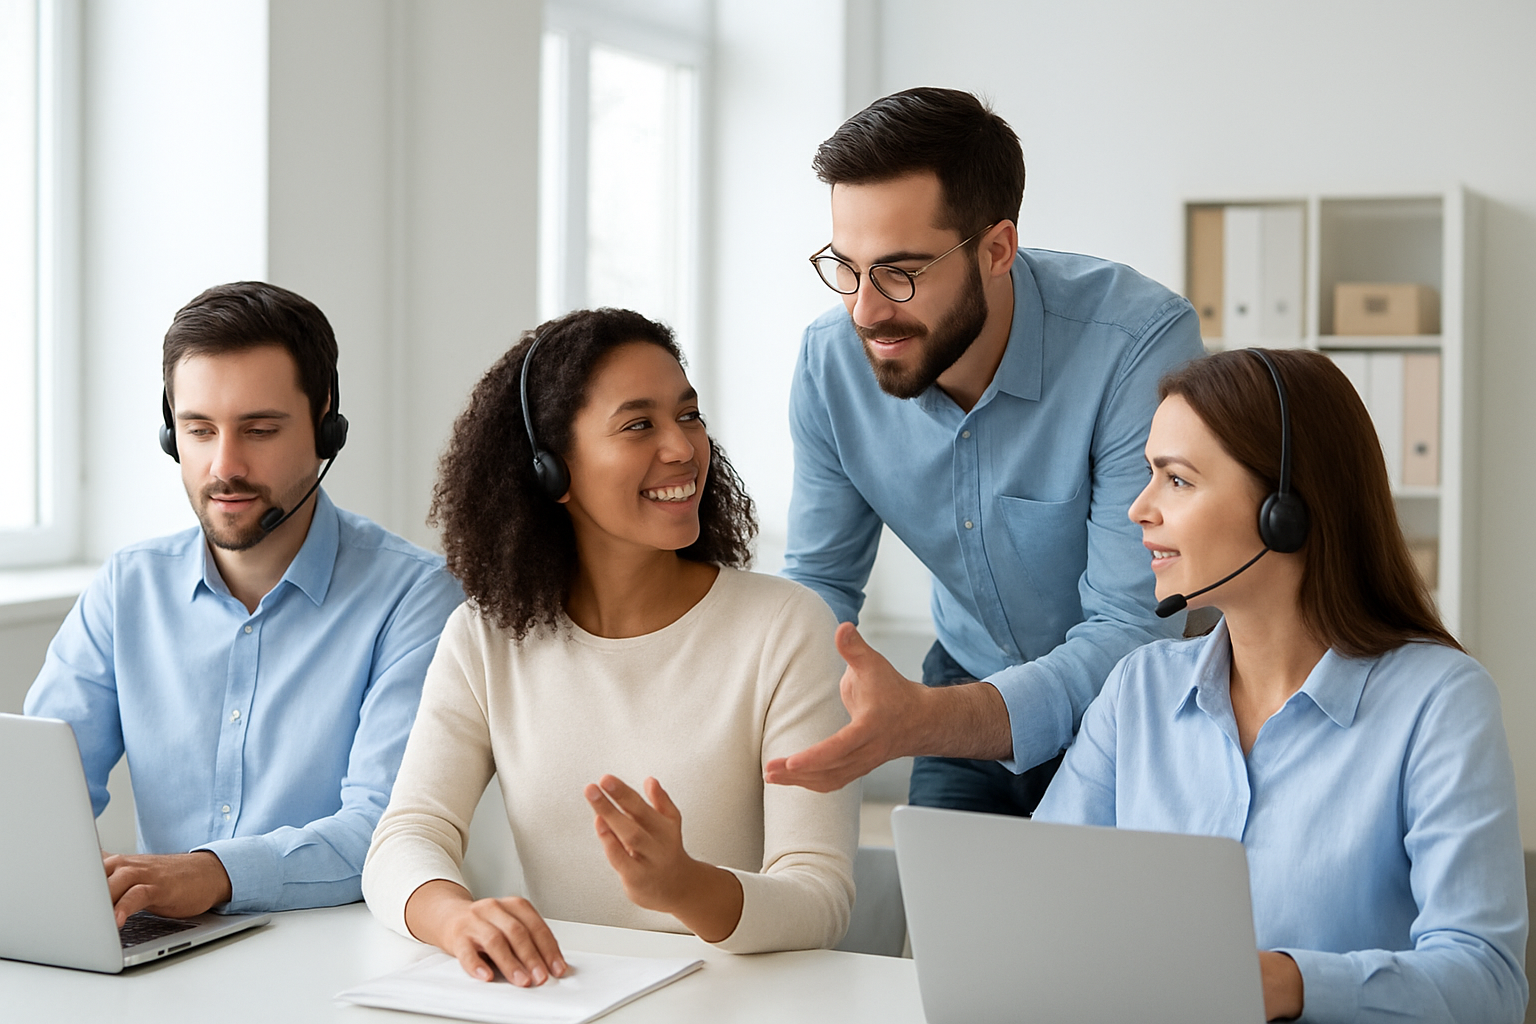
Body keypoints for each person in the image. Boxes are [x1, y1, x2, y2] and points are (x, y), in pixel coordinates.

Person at [362, 308, 858, 986]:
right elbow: (405, 838)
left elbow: (820, 897)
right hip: (567, 1001)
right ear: (550, 471)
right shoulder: (485, 639)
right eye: (639, 425)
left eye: (689, 415)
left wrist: (684, 886)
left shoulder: (786, 626)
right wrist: (456, 919)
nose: (683, 448)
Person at [1033, 348, 1528, 1023]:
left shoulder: (1439, 702)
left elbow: (1489, 984)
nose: (1139, 509)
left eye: (1176, 481)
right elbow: (1041, 908)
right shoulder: (1138, 690)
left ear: (1283, 509)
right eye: (1150, 476)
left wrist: (1286, 983)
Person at [767, 87, 1205, 814]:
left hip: (1134, 704)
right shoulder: (828, 362)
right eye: (846, 267)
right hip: (964, 673)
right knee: (951, 928)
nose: (866, 311)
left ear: (997, 249)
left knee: (1116, 932)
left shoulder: (1135, 346)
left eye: (900, 271)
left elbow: (1130, 629)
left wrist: (920, 720)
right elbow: (820, 582)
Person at [25, 281, 464, 923]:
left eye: (259, 429)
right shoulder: (128, 588)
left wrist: (211, 873)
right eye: (198, 430)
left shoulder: (415, 598)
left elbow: (387, 828)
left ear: (326, 427)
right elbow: (37, 798)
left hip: (334, 951)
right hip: (163, 955)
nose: (223, 466)